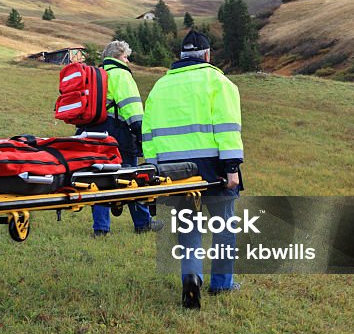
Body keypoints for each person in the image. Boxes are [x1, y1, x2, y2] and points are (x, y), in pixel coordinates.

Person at [142, 30, 244, 309]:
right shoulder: (218, 82)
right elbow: (227, 127)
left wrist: (154, 169)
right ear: (207, 55)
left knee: (188, 226)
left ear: (181, 56)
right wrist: (232, 167)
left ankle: (192, 276)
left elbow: (147, 134)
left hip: (170, 172)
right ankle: (222, 284)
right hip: (213, 168)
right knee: (223, 225)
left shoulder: (160, 86)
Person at [83, 40, 163, 236]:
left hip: (92, 132)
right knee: (133, 177)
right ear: (119, 56)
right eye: (126, 57)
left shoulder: (96, 75)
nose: (128, 61)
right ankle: (143, 223)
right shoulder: (121, 75)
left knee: (99, 180)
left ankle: (101, 228)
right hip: (118, 134)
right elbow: (132, 109)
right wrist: (140, 135)